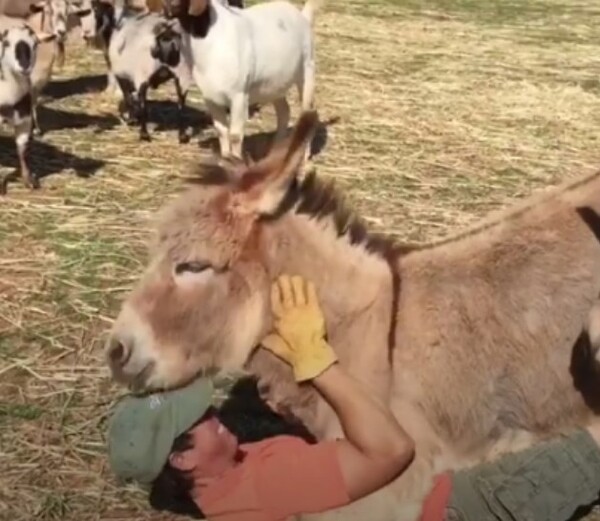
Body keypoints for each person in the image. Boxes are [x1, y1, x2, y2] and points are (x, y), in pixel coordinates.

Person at [107, 275, 600, 521]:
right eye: (200, 420)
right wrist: (316, 361)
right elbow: (390, 450)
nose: (214, 413)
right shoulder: (268, 489)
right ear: (182, 457)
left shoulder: (224, 494)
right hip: (460, 508)